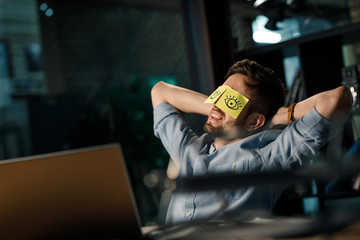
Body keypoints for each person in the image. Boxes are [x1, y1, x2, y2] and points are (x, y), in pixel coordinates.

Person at [151, 59, 352, 225]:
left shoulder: (271, 156)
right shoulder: (189, 149)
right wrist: (218, 109)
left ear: (255, 121)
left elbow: (337, 99)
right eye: (220, 94)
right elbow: (160, 92)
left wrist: (280, 117)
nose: (218, 103)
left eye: (231, 100)